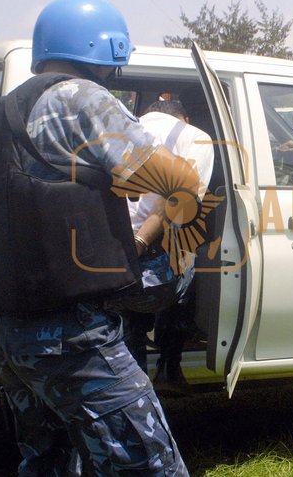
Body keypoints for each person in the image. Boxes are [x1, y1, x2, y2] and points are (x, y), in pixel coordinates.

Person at [0, 0, 195, 475]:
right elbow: (180, 183)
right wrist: (143, 242)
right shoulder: (80, 97)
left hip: (2, 333)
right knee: (150, 466)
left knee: (51, 460)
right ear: (106, 57)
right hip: (71, 334)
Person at [127, 99, 214, 393]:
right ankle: (168, 366)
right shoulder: (195, 136)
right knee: (189, 265)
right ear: (184, 117)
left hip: (101, 254)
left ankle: (134, 385)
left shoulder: (119, 128)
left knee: (127, 320)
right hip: (147, 261)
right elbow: (182, 203)